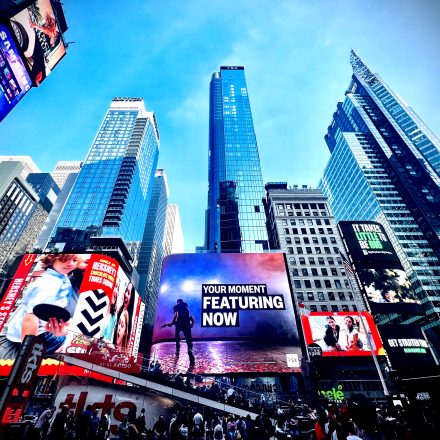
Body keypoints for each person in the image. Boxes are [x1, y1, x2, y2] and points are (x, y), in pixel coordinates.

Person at [0, 254, 83, 359]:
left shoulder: (62, 278)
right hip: (33, 336)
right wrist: (28, 353)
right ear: (51, 259)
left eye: (75, 260)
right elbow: (30, 318)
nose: (70, 263)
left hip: (45, 332)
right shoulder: (46, 282)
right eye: (64, 259)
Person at [164, 298, 195, 365]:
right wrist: (192, 323)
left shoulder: (176, 306)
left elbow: (175, 315)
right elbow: (191, 316)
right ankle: (190, 349)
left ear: (177, 302)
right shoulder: (186, 305)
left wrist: (172, 323)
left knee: (177, 338)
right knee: (189, 339)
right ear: (182, 301)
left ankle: (177, 350)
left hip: (179, 323)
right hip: (186, 323)